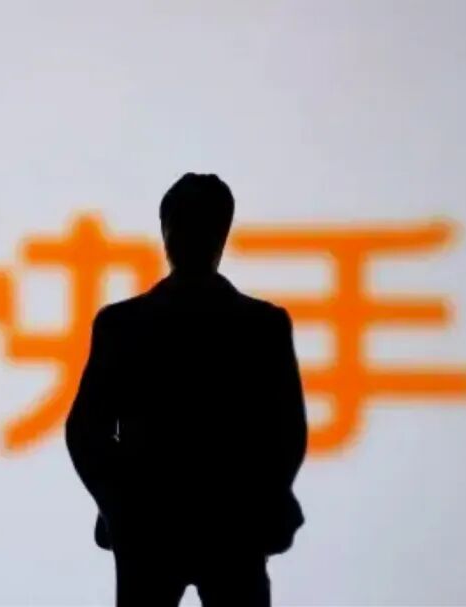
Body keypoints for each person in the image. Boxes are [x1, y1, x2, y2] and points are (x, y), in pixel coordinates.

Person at [65, 173, 307, 606]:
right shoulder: (258, 326)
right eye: (184, 223)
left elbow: (286, 433)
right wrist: (119, 504)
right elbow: (285, 433)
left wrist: (120, 503)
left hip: (187, 527)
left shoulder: (127, 324)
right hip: (203, 526)